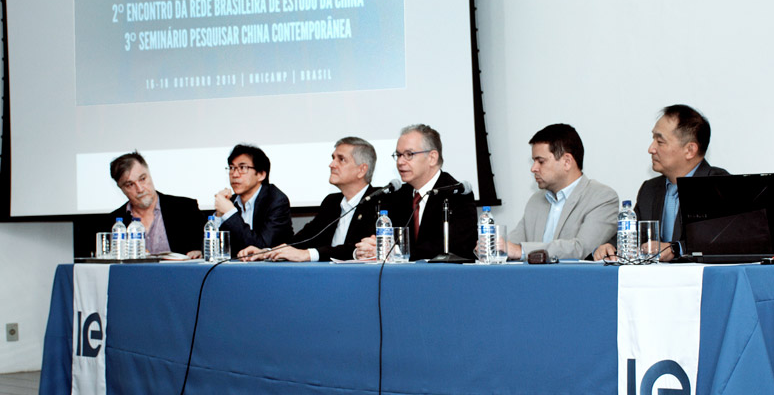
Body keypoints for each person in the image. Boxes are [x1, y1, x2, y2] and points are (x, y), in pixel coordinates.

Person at [594, 104, 728, 262]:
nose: (651, 149)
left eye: (660, 141)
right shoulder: (649, 190)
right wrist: (610, 247)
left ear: (689, 150)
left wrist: (675, 249)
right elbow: (633, 234)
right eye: (653, 140)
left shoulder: (716, 184)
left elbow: (720, 242)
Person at [240, 138, 378, 262]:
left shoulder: (378, 201)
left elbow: (357, 248)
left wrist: (307, 255)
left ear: (362, 170)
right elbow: (305, 238)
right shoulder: (331, 202)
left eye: (341, 159)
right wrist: (268, 252)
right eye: (333, 158)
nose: (331, 164)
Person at [354, 124, 476, 260]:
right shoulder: (397, 195)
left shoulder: (457, 194)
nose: (400, 162)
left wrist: (394, 253)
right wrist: (367, 250)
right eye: (398, 155)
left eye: (408, 155)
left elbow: (452, 247)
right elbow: (376, 239)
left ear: (432, 157)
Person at [500, 124, 617, 260]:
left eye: (540, 161)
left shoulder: (602, 197)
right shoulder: (536, 200)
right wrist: (495, 248)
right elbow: (514, 244)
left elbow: (582, 249)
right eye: (534, 161)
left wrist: (522, 251)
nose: (533, 168)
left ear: (567, 162)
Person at [108, 152, 205, 257]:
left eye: (143, 179)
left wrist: (200, 252)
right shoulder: (112, 222)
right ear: (121, 188)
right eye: (130, 184)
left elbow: (207, 246)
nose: (140, 189)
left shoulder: (185, 208)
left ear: (149, 173)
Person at [214, 144, 293, 257]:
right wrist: (219, 214)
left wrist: (230, 213)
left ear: (261, 175)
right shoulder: (230, 201)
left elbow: (261, 248)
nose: (235, 174)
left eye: (243, 168)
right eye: (232, 168)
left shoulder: (276, 200)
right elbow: (215, 251)